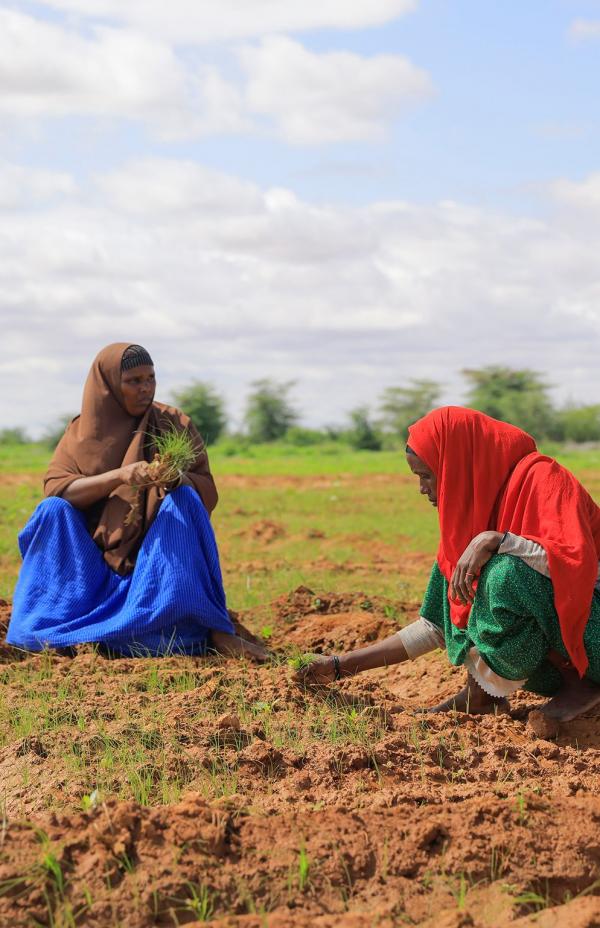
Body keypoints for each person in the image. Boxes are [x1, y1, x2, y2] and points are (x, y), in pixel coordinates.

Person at [296, 406, 600, 725]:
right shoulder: (466, 530)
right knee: (467, 573)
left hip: (592, 640)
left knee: (505, 575)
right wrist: (339, 665)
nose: (422, 489)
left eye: (427, 475)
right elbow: (435, 626)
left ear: (457, 466)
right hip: (563, 657)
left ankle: (581, 685)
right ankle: (482, 696)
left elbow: (575, 568)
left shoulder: (544, 478)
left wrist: (497, 540)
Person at [6, 343, 267, 661]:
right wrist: (120, 476)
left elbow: (206, 491)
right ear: (109, 385)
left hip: (151, 574)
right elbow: (58, 489)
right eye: (134, 381)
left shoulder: (172, 422)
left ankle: (212, 630)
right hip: (92, 573)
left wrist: (176, 477)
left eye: (151, 378)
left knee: (184, 498)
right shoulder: (80, 432)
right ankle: (56, 626)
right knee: (52, 510)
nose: (146, 388)